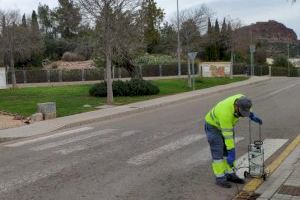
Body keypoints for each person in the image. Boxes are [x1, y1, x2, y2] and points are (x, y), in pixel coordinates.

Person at [204, 94, 262, 188]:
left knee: (227, 152)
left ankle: (230, 174)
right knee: (218, 151)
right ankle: (220, 178)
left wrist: (252, 115)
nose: (242, 115)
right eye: (241, 112)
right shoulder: (225, 113)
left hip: (226, 125)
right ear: (236, 106)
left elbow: (247, 108)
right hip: (213, 126)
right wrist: (231, 151)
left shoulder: (244, 100)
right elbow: (228, 136)